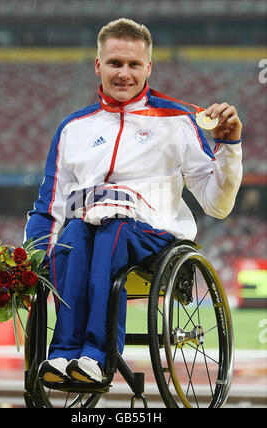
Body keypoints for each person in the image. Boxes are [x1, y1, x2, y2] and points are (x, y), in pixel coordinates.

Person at [25, 18, 242, 384]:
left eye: (133, 64)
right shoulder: (72, 128)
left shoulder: (177, 121)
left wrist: (229, 149)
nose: (124, 73)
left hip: (153, 237)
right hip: (90, 231)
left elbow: (216, 204)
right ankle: (63, 355)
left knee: (114, 230)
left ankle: (98, 355)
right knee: (72, 233)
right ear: (98, 65)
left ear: (148, 68)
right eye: (114, 63)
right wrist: (28, 258)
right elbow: (50, 205)